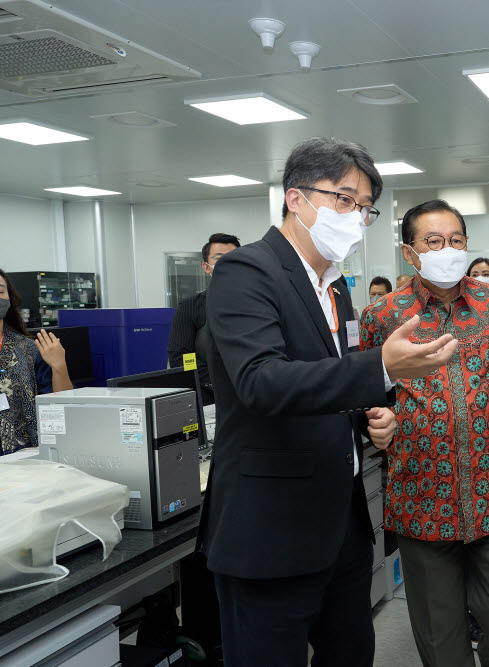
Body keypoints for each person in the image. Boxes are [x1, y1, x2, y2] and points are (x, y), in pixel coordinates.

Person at [201, 138, 457, 667]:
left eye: (365, 208)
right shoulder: (246, 272)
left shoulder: (335, 288)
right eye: (344, 200)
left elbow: (323, 380)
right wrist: (381, 369)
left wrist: (368, 417)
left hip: (339, 527)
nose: (356, 218)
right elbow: (261, 381)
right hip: (271, 531)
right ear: (296, 198)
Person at [360, 199, 489, 667]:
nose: (447, 250)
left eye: (455, 241)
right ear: (410, 253)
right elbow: (367, 392)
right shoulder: (383, 315)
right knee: (439, 630)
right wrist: (378, 420)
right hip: (422, 491)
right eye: (433, 242)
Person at [0, 269, 73, 455]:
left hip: (26, 459)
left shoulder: (30, 349)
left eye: (0, 292)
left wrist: (59, 367)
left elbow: (62, 410)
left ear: (9, 298)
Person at [167, 233, 241, 404]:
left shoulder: (258, 304)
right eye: (219, 258)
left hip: (252, 392)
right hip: (209, 396)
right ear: (206, 267)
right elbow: (182, 358)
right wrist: (217, 381)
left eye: (234, 258)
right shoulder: (190, 307)